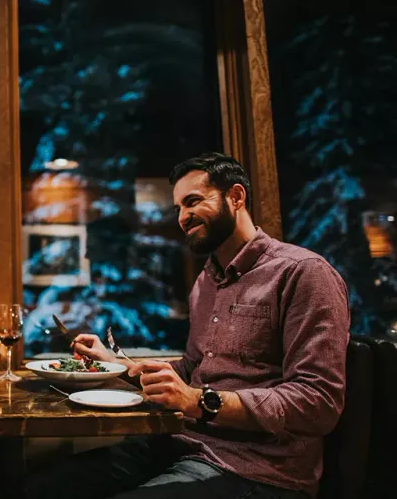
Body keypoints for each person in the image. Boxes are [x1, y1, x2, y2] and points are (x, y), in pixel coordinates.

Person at [23, 152, 350, 499]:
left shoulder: (303, 273)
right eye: (177, 207)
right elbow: (194, 369)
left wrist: (199, 402)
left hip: (259, 469)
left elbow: (319, 403)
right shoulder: (206, 281)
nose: (182, 217)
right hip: (180, 444)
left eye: (192, 202)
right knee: (36, 488)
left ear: (236, 197)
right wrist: (116, 365)